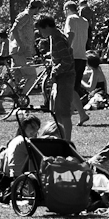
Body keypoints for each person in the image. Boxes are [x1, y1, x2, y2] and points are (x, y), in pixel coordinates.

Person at [37, 13, 76, 144]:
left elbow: (67, 61)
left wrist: (55, 71)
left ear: (47, 26)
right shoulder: (54, 37)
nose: (40, 33)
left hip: (65, 77)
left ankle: (67, 143)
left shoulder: (58, 39)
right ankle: (59, 140)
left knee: (64, 113)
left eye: (41, 29)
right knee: (56, 112)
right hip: (60, 78)